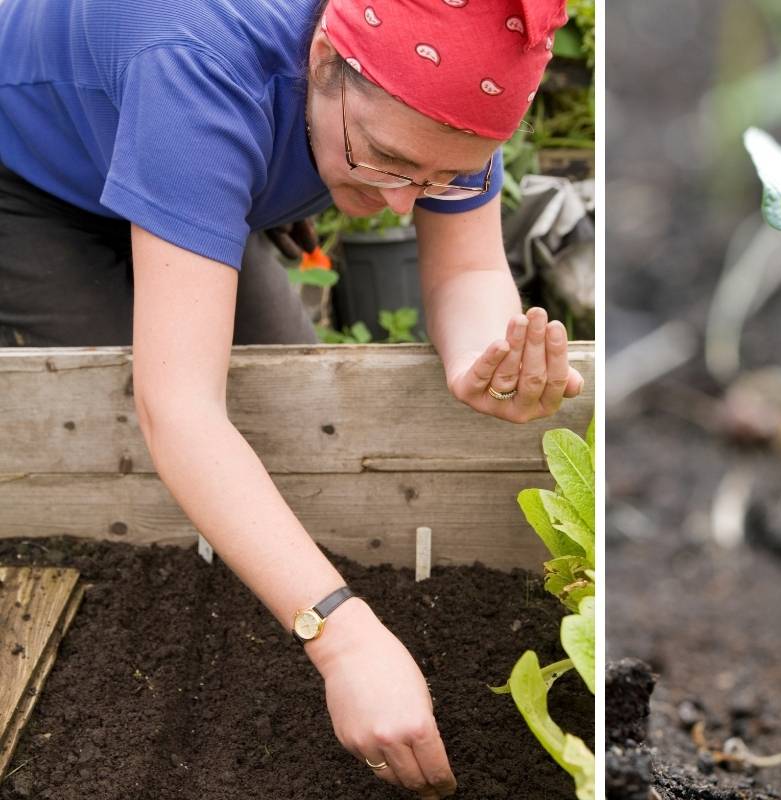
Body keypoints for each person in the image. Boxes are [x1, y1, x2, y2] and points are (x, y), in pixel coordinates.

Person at [0, 0, 583, 796]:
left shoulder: (457, 80)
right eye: (384, 161)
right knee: (125, 436)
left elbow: (474, 274)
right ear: (320, 62)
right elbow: (179, 407)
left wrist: (485, 361)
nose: (404, 206)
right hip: (31, 176)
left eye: (443, 177)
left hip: (183, 139)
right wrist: (343, 641)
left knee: (279, 403)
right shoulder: (198, 65)